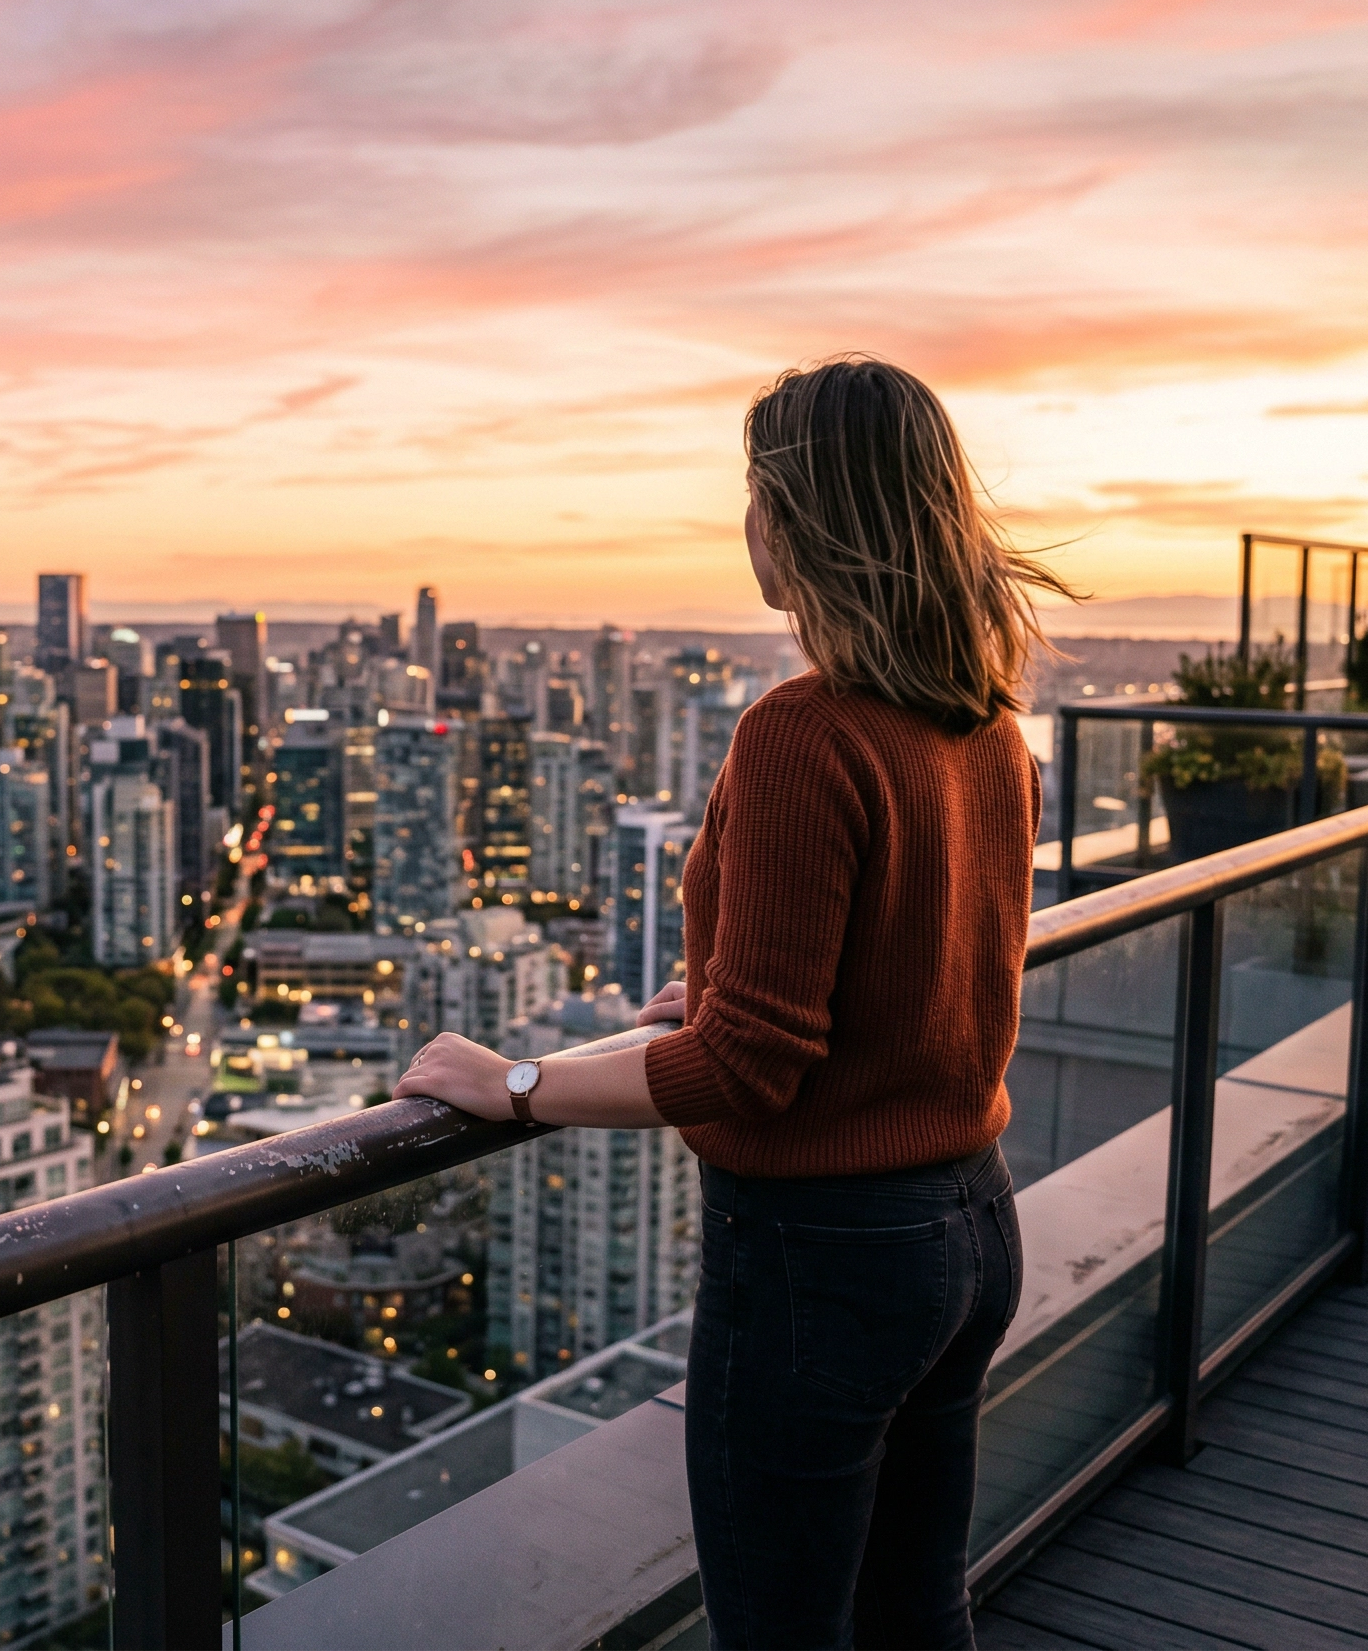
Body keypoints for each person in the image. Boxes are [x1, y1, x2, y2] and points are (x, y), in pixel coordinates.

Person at [393, 354, 1065, 1649]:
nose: (745, 525)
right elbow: (928, 960)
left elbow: (745, 1070)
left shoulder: (805, 733)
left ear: (797, 526)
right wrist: (725, 970)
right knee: (918, 1614)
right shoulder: (986, 727)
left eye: (756, 495)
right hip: (972, 1226)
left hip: (827, 1263)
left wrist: (512, 1086)